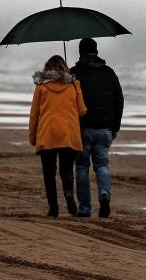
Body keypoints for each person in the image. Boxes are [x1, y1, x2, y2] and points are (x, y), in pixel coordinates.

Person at [28, 54, 87, 217]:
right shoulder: (74, 85)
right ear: (64, 68)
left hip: (47, 134)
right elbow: (82, 110)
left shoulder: (41, 87)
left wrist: (33, 138)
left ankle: (53, 207)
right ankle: (68, 194)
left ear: (47, 69)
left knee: (49, 173)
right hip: (68, 134)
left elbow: (34, 115)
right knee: (67, 171)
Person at [71, 37, 124, 218]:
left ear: (80, 52)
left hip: (82, 128)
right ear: (97, 51)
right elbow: (119, 100)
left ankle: (84, 208)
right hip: (105, 128)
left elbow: (68, 102)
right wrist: (115, 126)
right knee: (102, 164)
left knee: (81, 166)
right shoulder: (109, 73)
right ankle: (104, 194)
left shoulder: (74, 73)